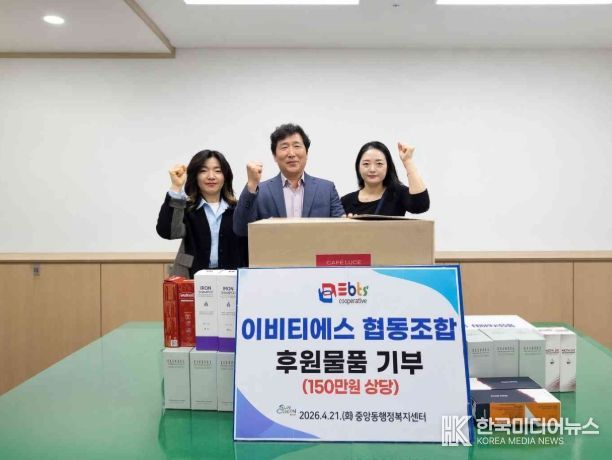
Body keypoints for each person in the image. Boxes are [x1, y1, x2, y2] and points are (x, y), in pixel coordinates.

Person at [233, 123, 345, 237]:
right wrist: (252, 184)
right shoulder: (260, 191)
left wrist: (350, 222)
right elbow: (241, 230)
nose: (291, 154)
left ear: (307, 153)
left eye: (297, 146)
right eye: (284, 147)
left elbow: (342, 230)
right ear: (274, 156)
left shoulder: (327, 189)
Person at [156, 150, 246, 278]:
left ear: (225, 176)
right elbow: (167, 232)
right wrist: (176, 187)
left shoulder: (238, 209)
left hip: (232, 278)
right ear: (195, 176)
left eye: (218, 171)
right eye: (203, 171)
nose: (211, 176)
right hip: (192, 277)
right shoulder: (186, 208)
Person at [341, 141, 430, 216]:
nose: (372, 169)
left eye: (379, 164)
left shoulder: (397, 193)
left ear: (388, 167)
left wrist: (407, 161)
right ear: (358, 167)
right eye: (366, 164)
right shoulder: (345, 201)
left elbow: (421, 205)